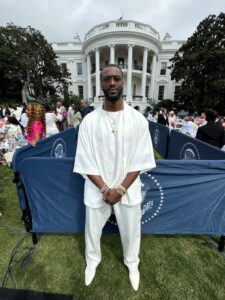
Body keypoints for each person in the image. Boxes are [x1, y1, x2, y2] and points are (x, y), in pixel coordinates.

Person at [74, 64, 156, 291]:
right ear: (101, 83)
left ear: (123, 82)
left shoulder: (139, 120)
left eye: (116, 78)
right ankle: (92, 261)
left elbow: (140, 160)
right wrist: (104, 189)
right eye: (107, 78)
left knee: (132, 232)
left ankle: (132, 264)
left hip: (127, 190)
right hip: (96, 189)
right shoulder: (89, 122)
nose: (112, 83)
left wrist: (119, 190)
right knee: (92, 230)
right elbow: (84, 159)